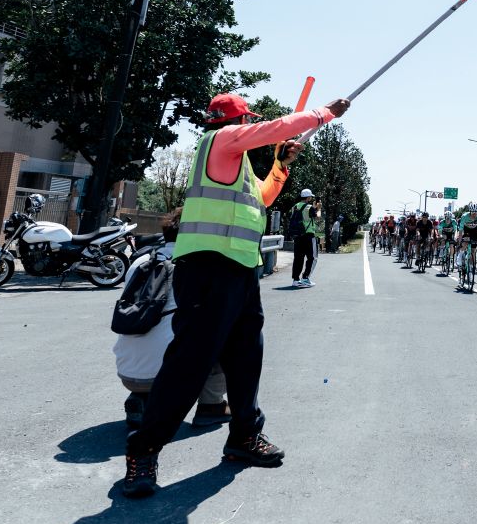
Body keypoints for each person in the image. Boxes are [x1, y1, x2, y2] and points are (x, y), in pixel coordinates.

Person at [122, 91, 349, 499]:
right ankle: (144, 450)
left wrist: (280, 166)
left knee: (246, 360)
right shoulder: (219, 141)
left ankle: (244, 436)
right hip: (208, 269)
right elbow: (274, 129)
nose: (250, 126)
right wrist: (323, 115)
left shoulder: (234, 161)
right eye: (248, 121)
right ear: (239, 121)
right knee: (189, 364)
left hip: (241, 271)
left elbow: (262, 198)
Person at [114, 209, 230, 430]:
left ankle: (143, 398)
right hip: (170, 374)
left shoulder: (141, 263)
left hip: (127, 371)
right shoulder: (198, 266)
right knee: (224, 334)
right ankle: (212, 405)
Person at [290, 189, 321, 286]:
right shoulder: (309, 207)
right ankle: (305, 277)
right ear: (308, 197)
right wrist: (319, 209)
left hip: (298, 236)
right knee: (312, 258)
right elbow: (317, 217)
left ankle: (295, 280)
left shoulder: (295, 207)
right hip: (308, 235)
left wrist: (314, 208)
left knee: (298, 258)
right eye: (310, 197)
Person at [455, 203, 477, 274]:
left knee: (473, 251)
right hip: (466, 230)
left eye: (476, 212)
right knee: (465, 243)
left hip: (475, 230)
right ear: (470, 211)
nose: (474, 214)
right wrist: (460, 240)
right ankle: (460, 255)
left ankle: (471, 266)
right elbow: (461, 230)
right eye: (473, 212)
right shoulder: (464, 216)